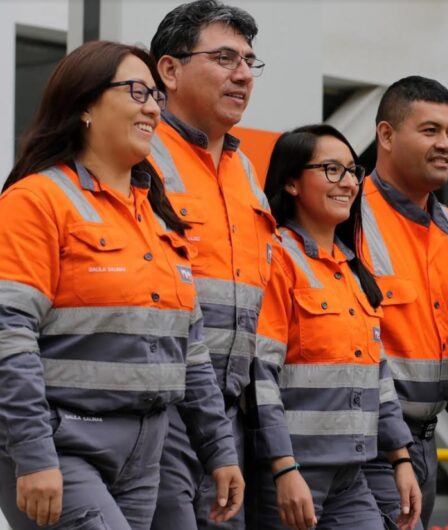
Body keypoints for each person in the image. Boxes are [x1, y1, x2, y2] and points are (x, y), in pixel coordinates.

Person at [0, 40, 242, 530]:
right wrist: (33, 452)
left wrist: (219, 450)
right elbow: (9, 336)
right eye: (136, 91)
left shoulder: (157, 218)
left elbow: (191, 351)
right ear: (85, 104)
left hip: (144, 455)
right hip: (61, 446)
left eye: (156, 94)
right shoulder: (36, 201)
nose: (153, 106)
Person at [249, 124, 421, 530]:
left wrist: (400, 458)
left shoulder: (352, 272)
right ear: (291, 182)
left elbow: (378, 376)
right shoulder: (276, 258)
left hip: (350, 473)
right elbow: (261, 374)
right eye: (331, 170)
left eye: (352, 171)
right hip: (292, 474)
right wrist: (283, 469)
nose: (347, 182)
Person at [147, 2, 276, 528]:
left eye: (249, 60)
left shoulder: (245, 168)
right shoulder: (141, 151)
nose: (243, 74)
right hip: (161, 409)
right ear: (170, 70)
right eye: (224, 58)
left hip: (228, 414)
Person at [359, 75, 448, 528]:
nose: (446, 145)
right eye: (430, 130)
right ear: (386, 135)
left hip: (424, 446)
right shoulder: (347, 215)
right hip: (368, 444)